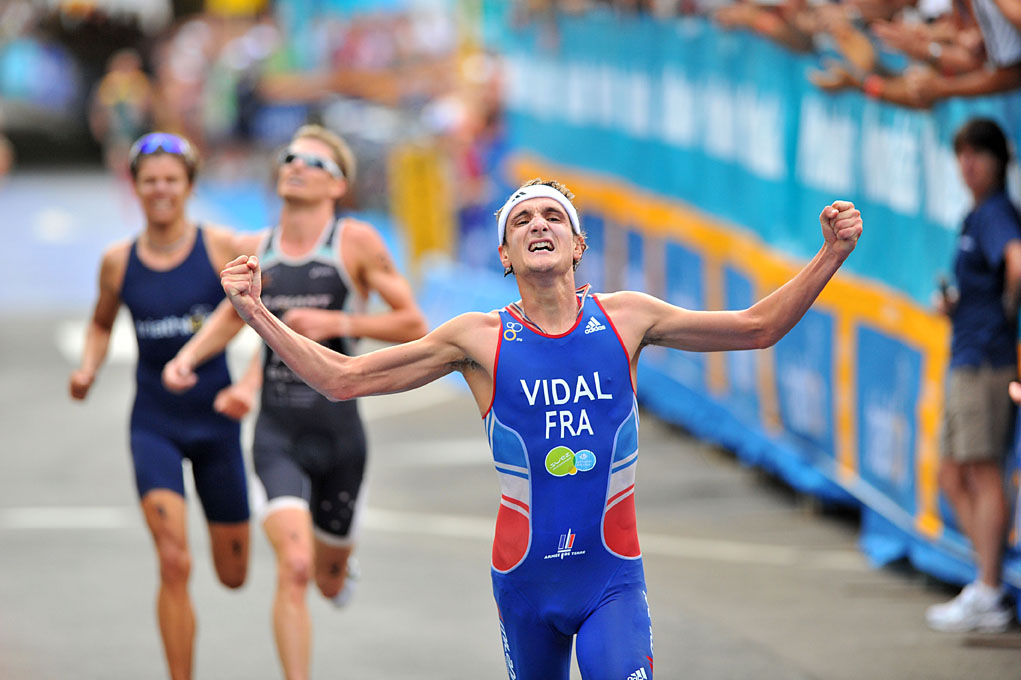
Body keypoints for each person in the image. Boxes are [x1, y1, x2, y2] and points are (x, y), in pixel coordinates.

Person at [211, 176, 863, 678]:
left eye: (553, 215)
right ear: (503, 252)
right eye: (521, 219)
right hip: (524, 584)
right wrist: (256, 314)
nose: (538, 224)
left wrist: (829, 255)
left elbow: (757, 328)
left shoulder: (627, 318)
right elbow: (343, 379)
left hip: (610, 580)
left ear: (578, 244)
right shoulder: (476, 337)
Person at [162, 124, 428, 680]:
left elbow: (413, 323)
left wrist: (339, 320)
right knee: (295, 567)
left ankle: (342, 568)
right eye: (289, 157)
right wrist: (188, 360)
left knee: (327, 577)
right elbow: (228, 318)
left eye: (314, 162)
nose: (296, 166)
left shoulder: (354, 242)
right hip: (276, 432)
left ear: (338, 186)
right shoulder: (254, 249)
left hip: (340, 434)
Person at [68, 132, 251, 680]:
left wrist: (226, 373)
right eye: (150, 181)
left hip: (216, 424)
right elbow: (101, 323)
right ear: (136, 189)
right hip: (155, 424)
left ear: (189, 186)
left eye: (172, 179)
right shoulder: (118, 262)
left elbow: (253, 315)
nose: (161, 190)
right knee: (173, 560)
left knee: (233, 573)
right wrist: (88, 366)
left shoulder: (220, 247)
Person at [925, 118, 1021, 633]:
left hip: (986, 362)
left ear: (998, 161)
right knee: (953, 474)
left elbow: (1016, 263)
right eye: (962, 154)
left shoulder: (996, 214)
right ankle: (987, 578)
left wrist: (1005, 313)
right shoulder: (975, 216)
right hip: (967, 356)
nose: (968, 164)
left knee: (983, 474)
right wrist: (959, 308)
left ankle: (989, 590)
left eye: (978, 154)